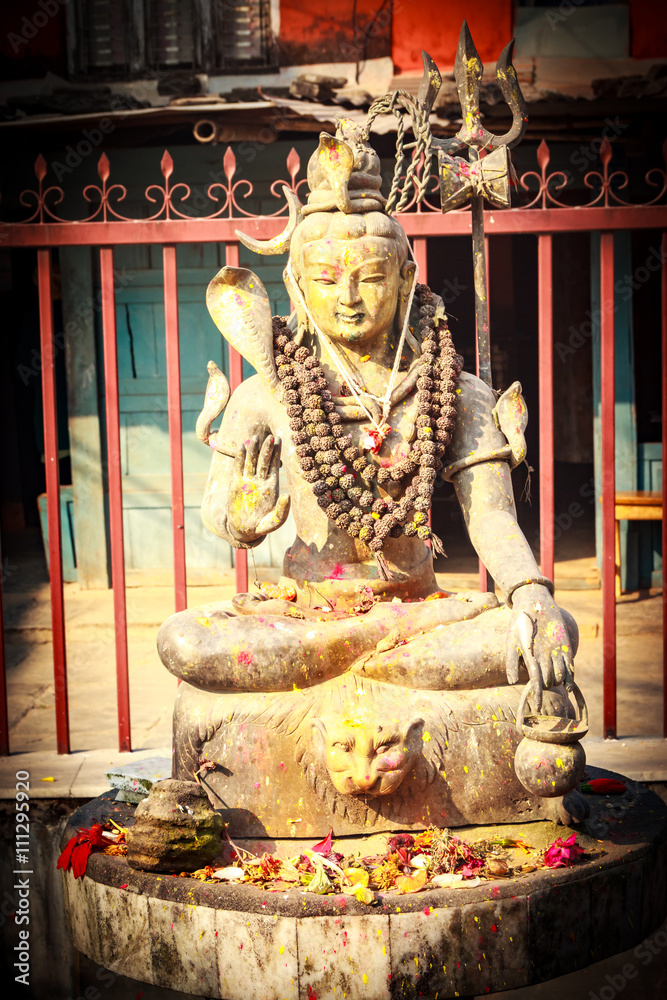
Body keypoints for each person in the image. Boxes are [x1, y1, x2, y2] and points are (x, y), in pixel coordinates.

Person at [157, 122, 577, 711]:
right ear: (297, 284)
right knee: (185, 642)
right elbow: (219, 515)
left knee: (547, 629)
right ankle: (381, 668)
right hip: (303, 615)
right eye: (327, 280)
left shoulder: (454, 391)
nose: (348, 298)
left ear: (407, 279)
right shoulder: (267, 395)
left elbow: (493, 523)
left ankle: (372, 664)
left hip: (416, 611)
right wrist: (243, 519)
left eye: (371, 277)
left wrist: (532, 595)